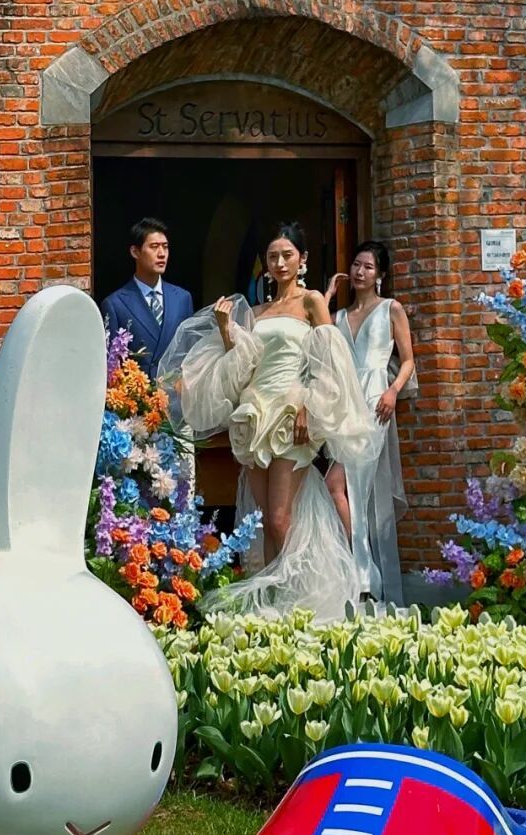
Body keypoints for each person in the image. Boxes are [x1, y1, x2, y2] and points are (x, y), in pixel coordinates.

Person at [158, 221, 382, 623]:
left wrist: (308, 404)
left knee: (280, 518)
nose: (279, 263)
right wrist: (226, 329)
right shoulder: (257, 311)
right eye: (273, 256)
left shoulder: (312, 302)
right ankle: (278, 608)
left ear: (302, 260)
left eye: (287, 255)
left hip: (291, 414)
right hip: (255, 413)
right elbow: (242, 365)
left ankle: (298, 603)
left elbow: (330, 360)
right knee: (266, 521)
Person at [324, 242, 416, 603]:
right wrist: (327, 298)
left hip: (376, 404)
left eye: (368, 267)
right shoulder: (337, 317)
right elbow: (321, 349)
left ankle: (363, 576)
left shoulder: (391, 309)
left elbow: (407, 360)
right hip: (346, 407)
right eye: (356, 265)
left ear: (380, 274)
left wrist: (393, 390)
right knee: (343, 489)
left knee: (343, 486)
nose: (360, 272)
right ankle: (363, 575)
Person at [100, 218, 194, 377]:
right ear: (135, 252)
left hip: (175, 389)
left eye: (165, 247)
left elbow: (191, 351)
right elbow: (111, 365)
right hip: (138, 390)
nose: (162, 254)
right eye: (154, 247)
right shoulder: (115, 304)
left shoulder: (182, 299)